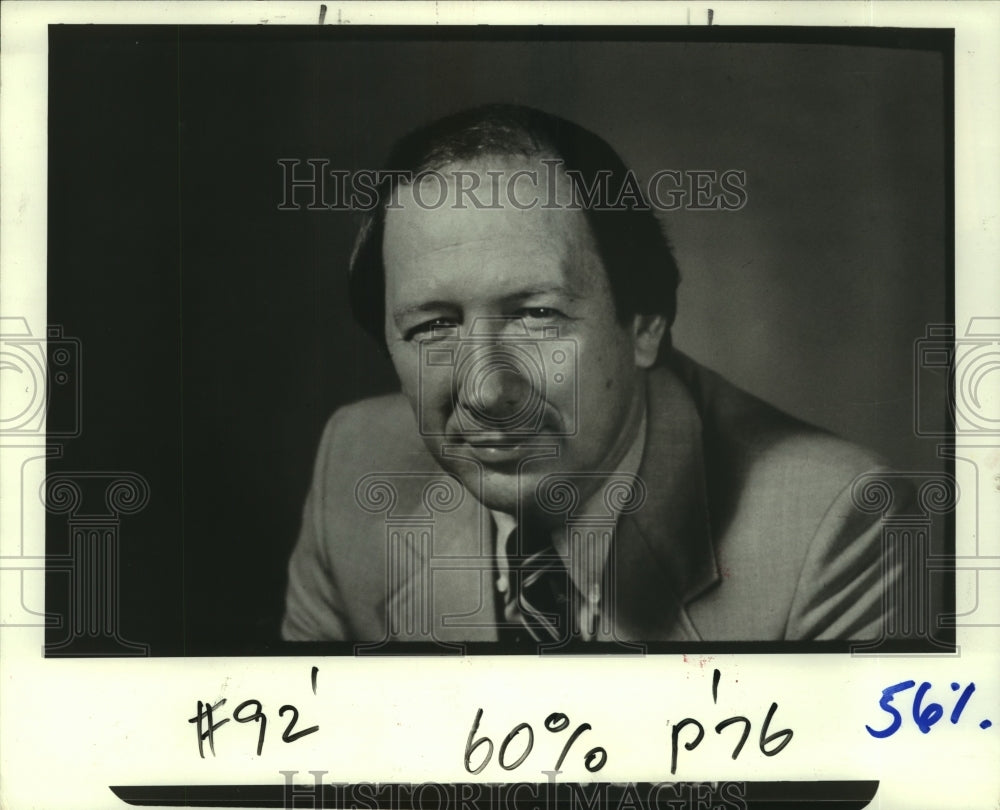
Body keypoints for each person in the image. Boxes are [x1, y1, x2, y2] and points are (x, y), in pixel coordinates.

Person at [282, 104, 907, 646]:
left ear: (644, 325)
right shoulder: (354, 465)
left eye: (536, 316)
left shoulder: (831, 523)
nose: (487, 391)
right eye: (434, 327)